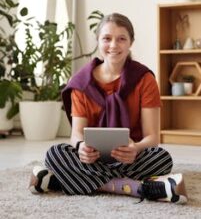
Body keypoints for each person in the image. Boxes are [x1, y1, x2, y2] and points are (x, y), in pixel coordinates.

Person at [29, 13, 187, 203]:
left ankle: (60, 181)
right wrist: (81, 147)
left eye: (121, 39)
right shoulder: (81, 83)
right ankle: (135, 188)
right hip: (92, 159)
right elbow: (76, 134)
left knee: (162, 158)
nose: (113, 45)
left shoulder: (145, 80)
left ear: (130, 42)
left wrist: (135, 148)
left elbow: (152, 137)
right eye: (107, 39)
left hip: (131, 157)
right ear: (98, 41)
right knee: (55, 153)